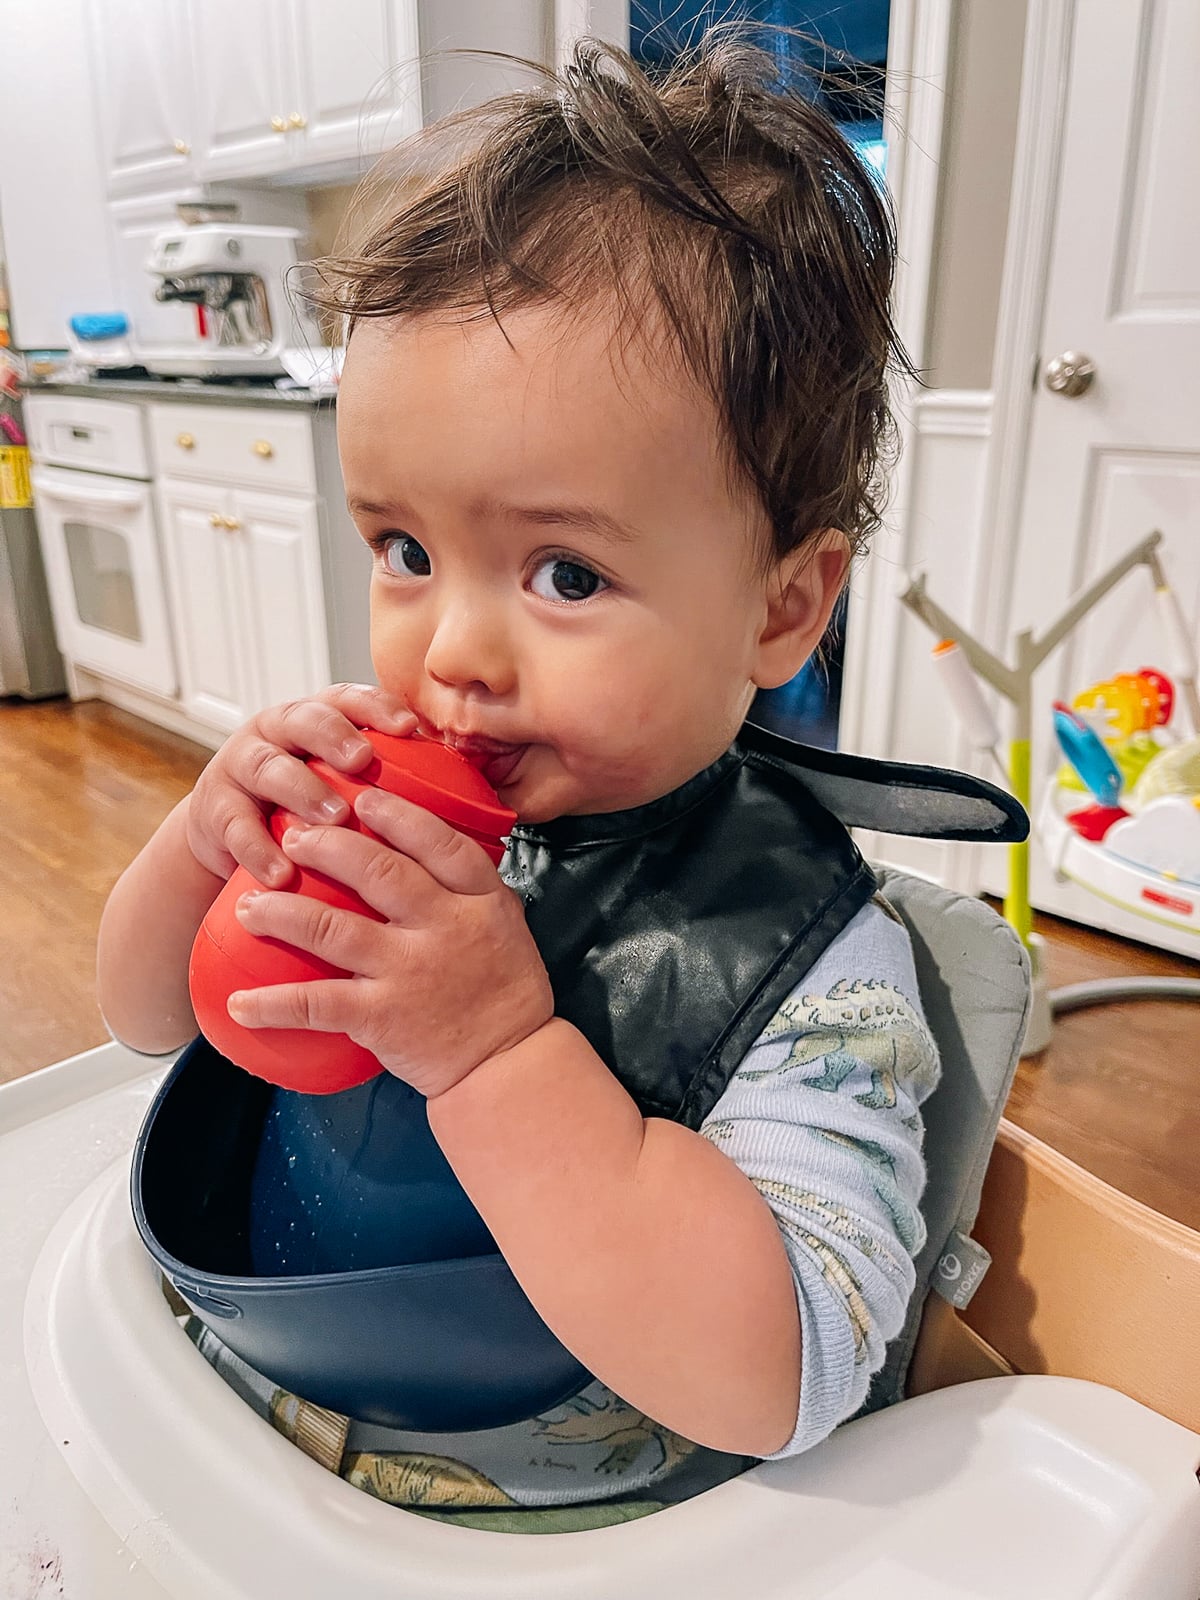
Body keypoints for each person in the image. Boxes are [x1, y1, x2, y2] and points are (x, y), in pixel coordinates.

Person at [97, 34, 940, 1532]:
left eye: (564, 572)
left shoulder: (817, 962)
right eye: (405, 552)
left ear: (782, 609)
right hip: (250, 1408)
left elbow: (783, 1378)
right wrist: (197, 848)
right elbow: (150, 1020)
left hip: (548, 1498)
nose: (454, 655)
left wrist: (494, 1057)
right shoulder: (365, 801)